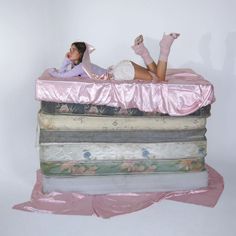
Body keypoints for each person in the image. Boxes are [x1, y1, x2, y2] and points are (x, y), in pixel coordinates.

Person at [49, 33, 180, 82]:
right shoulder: (80, 66)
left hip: (120, 72)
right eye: (69, 49)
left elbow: (61, 76)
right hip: (120, 69)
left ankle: (164, 48)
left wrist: (51, 71)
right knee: (154, 75)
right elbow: (63, 72)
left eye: (73, 50)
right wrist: (66, 60)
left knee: (160, 80)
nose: (69, 52)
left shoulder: (82, 67)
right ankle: (142, 51)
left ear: (81, 54)